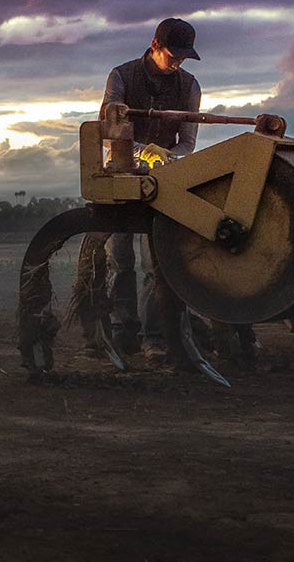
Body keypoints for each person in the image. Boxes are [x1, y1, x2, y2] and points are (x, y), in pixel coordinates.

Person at [70, 18, 201, 360]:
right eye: (173, 55)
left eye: (184, 57)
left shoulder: (189, 86)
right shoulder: (121, 77)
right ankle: (122, 331)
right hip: (121, 175)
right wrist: (144, 151)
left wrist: (169, 156)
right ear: (155, 45)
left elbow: (188, 141)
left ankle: (155, 336)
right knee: (120, 258)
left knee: (157, 262)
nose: (178, 63)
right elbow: (111, 129)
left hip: (164, 180)